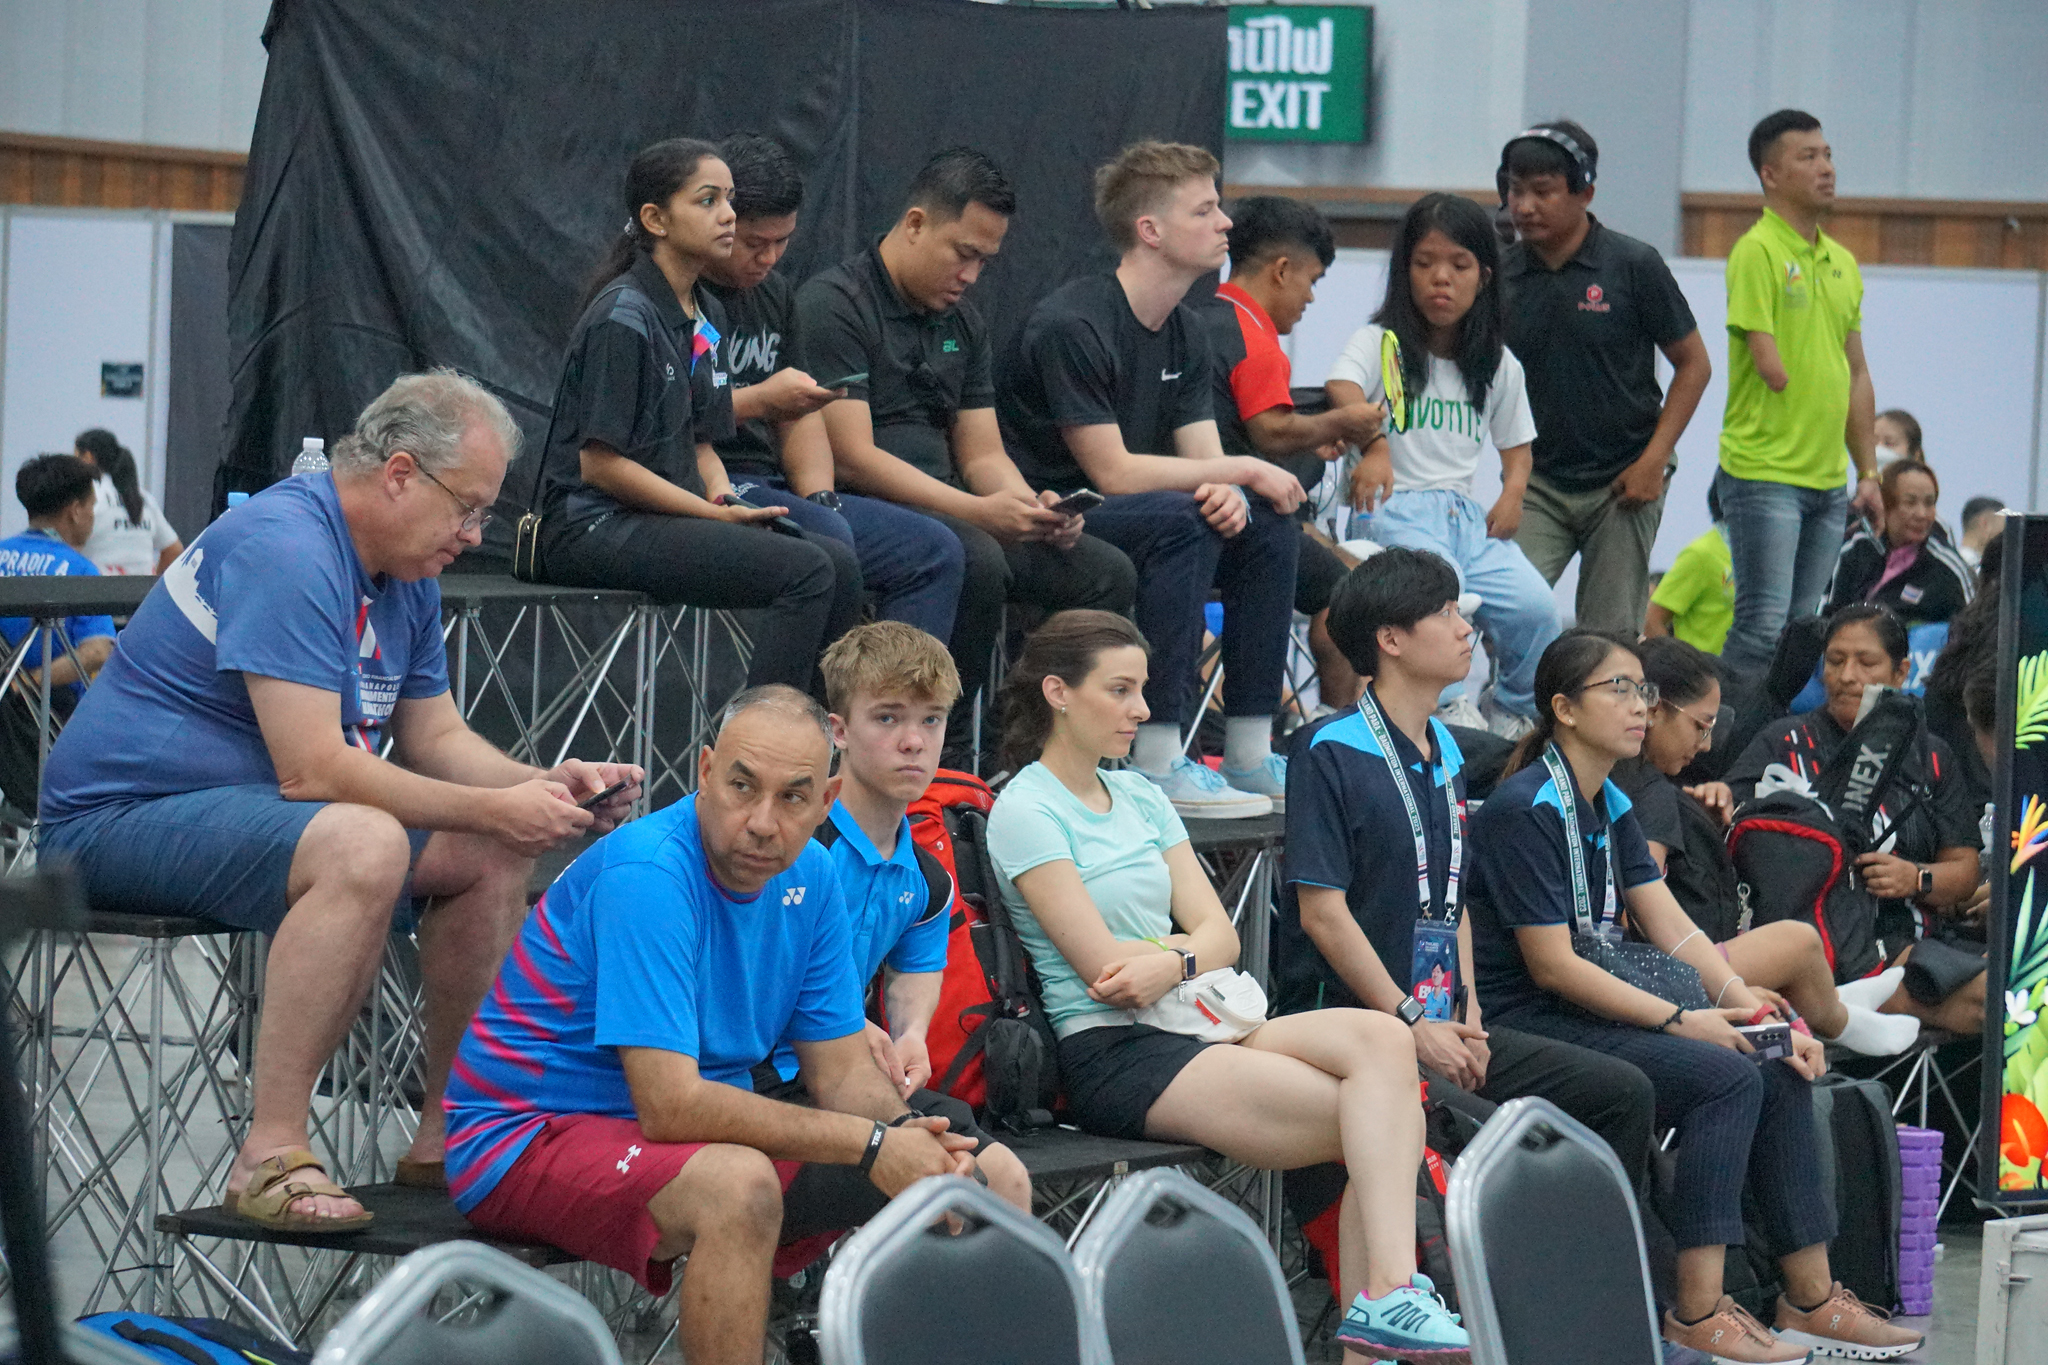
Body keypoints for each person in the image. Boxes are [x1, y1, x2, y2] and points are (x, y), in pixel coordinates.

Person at [39, 372, 642, 1230]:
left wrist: (541, 784)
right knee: (366, 842)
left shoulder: (403, 568)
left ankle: (456, 1133)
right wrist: (493, 806)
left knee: (489, 850)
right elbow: (314, 772)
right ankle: (271, 1151)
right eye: (468, 509)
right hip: (114, 820)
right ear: (399, 473)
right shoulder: (288, 546)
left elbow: (436, 735)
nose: (474, 536)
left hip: (239, 810)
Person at [446, 687, 998, 1365]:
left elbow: (842, 1071)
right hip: (523, 1135)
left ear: (826, 801)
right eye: (742, 786)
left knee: (980, 1173)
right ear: (705, 771)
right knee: (739, 1187)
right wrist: (878, 1142)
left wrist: (911, 1138)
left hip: (685, 1126)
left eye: (793, 797)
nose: (762, 822)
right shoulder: (648, 873)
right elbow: (671, 1106)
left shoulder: (814, 875)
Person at [986, 610, 1469, 1363]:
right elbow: (1107, 973)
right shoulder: (1025, 807)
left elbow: (1224, 936)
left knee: (1384, 1039)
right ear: (1058, 693)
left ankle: (1386, 1298)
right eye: (1120, 690)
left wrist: (1174, 961)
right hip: (1117, 1051)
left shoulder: (1141, 795)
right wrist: (1186, 954)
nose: (1143, 709)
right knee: (1381, 1120)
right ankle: (1383, 1308)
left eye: (1143, 689)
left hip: (1199, 1016)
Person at [1466, 629, 1922, 1361]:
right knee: (1724, 1079)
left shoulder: (1610, 800)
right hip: (1531, 1017)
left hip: (1598, 1004)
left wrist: (1749, 1005)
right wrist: (1686, 1021)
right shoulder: (1525, 806)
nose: (1639, 705)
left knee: (1776, 1060)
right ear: (1564, 709)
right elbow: (1552, 968)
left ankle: (1810, 1300)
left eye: (1643, 689)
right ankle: (1697, 1310)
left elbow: (1671, 926)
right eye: (1619, 688)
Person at [1277, 548, 1656, 1187]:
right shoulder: (1328, 749)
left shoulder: (1447, 749)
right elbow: (1322, 916)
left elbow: (1451, 899)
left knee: (1621, 1092)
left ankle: (1605, 1253)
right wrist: (1412, 1021)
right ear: (1391, 639)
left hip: (1439, 1016)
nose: (1466, 628)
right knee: (1504, 1147)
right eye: (1446, 613)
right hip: (1356, 1026)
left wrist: (1472, 1013)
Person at [799, 147, 1133, 765]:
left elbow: (982, 453)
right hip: (871, 507)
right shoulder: (835, 304)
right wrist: (978, 511)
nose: (972, 275)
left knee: (1105, 571)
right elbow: (852, 458)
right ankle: (944, 755)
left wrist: (1032, 506)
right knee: (974, 556)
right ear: (916, 223)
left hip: (955, 506)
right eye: (964, 253)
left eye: (985, 260)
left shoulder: (964, 323)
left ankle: (1032, 757)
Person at [1003, 141, 1308, 817]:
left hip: (1143, 507)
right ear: (1151, 230)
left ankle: (1249, 750)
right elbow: (1111, 471)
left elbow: (1202, 457)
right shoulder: (1075, 323)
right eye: (1204, 210)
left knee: (1264, 520)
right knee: (1186, 519)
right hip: (1056, 515)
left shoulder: (1187, 331)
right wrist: (1240, 469)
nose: (1226, 222)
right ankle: (1158, 755)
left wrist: (1230, 487)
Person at [534, 137, 860, 697]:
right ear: (655, 219)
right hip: (591, 524)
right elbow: (601, 467)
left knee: (840, 564)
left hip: (661, 514)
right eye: (708, 200)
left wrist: (724, 499)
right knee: (806, 572)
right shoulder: (622, 316)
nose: (728, 214)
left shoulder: (706, 315)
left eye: (730, 199)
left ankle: (819, 732)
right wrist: (709, 516)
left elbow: (700, 438)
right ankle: (764, 736)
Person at [754, 621, 1033, 1211]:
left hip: (845, 1079)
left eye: (931, 720)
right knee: (944, 1185)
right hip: (755, 1080)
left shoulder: (927, 878)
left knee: (1005, 1179)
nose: (913, 741)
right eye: (887, 718)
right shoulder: (791, 846)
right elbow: (744, 978)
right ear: (838, 731)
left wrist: (909, 1036)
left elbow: (915, 969)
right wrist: (844, 1028)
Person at [701, 133, 966, 643]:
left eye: (783, 241)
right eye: (755, 243)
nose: (769, 258)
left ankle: (893, 695)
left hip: (771, 482)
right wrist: (760, 401)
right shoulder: (679, 296)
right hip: (706, 481)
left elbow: (800, 420)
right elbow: (671, 416)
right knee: (830, 545)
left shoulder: (777, 296)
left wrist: (820, 495)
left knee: (936, 550)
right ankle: (813, 694)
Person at [1614, 635, 1922, 1056]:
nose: (1706, 745)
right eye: (1701, 726)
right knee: (1798, 942)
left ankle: (1834, 1004)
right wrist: (1729, 989)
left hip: (1649, 964)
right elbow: (1637, 913)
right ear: (1653, 711)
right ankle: (1839, 1020)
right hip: (1650, 971)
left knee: (1791, 961)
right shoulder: (1652, 795)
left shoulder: (1631, 784)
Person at [1326, 192, 1560, 738]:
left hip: (1467, 519)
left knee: (1537, 607)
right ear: (1403, 271)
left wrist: (1513, 494)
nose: (1441, 279)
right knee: (1439, 593)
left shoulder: (1495, 362)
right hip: (1394, 510)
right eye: (1425, 263)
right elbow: (1341, 387)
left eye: (1459, 265)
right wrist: (1376, 446)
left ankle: (1514, 710)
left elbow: (1517, 445)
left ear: (1484, 276)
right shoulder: (1380, 342)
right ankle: (1445, 707)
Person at [1725, 605, 1988, 1036]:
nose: (1847, 676)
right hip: (1814, 941)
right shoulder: (1784, 741)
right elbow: (1728, 824)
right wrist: (1716, 801)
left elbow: (1964, 869)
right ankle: (1834, 1000)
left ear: (1901, 672)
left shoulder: (1932, 755)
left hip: (1909, 937)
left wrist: (1916, 878)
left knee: (2014, 991)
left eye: (1866, 662)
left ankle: (1849, 1005)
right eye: (1835, 661)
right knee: (1990, 1000)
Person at [1498, 121, 1713, 636]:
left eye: (1542, 191)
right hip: (1539, 480)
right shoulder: (1498, 273)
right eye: (1515, 191)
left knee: (1609, 635)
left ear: (1585, 193)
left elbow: (1694, 365)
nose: (1525, 206)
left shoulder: (1634, 264)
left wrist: (1654, 461)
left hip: (1625, 477)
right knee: (1510, 617)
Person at [1198, 195, 1383, 713]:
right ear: (1282, 271)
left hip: (1186, 517)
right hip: (1237, 526)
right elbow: (1271, 433)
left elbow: (1239, 429)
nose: (1311, 298)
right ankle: (1329, 724)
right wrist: (1344, 421)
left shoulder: (1198, 317)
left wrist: (1313, 435)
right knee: (1349, 596)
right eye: (1312, 280)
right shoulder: (1254, 336)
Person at [1716, 110, 1881, 692]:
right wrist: (1779, 367)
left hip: (1827, 481)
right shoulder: (1756, 250)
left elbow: (1856, 372)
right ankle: (1726, 736)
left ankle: (1773, 734)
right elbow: (1766, 358)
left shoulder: (1843, 263)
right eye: (1808, 157)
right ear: (1770, 174)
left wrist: (1868, 472)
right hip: (1764, 472)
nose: (1826, 168)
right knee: (1762, 627)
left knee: (1803, 631)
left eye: (1827, 155)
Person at [0, 454, 117, 700]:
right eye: (92, 506)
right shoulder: (80, 570)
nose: (93, 516)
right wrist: (26, 684)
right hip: (51, 713)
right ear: (75, 511)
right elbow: (98, 651)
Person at [1825, 459, 1973, 626]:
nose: (1922, 514)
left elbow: (1976, 629)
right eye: (1910, 502)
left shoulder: (1948, 570)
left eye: (1929, 503)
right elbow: (1827, 617)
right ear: (1885, 504)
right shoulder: (1856, 548)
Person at [72, 428, 182, 575]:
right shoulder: (143, 498)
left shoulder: (87, 498)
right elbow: (174, 549)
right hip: (140, 589)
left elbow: (66, 547)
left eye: (75, 457)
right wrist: (154, 583)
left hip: (97, 587)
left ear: (87, 457)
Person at [1643, 483, 1734, 653]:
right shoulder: (1703, 553)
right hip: (1706, 665)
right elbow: (1652, 621)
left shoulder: (1774, 556)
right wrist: (1682, 666)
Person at [1957, 495, 2006, 572]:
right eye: (2003, 531)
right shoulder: (1977, 571)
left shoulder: (1951, 565)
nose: (2005, 539)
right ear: (1985, 524)